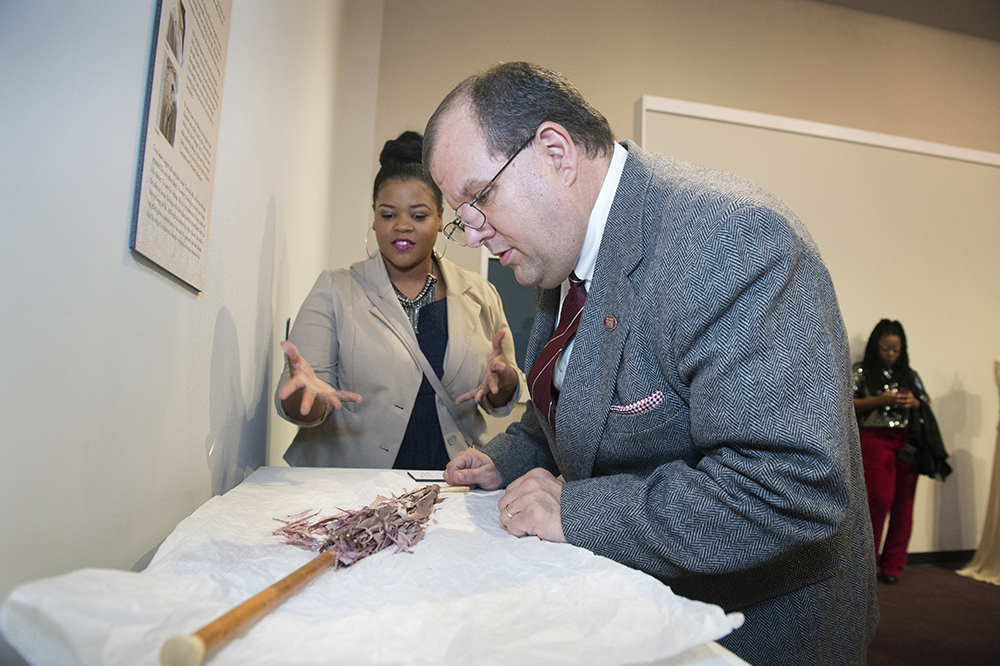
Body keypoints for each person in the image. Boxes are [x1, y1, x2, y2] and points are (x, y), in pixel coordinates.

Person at [423, 62, 877, 665]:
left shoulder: (732, 240)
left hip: (753, 631)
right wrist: (508, 459)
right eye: (462, 217)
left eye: (478, 199)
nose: (473, 234)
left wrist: (579, 512)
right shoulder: (565, 246)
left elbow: (787, 488)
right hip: (644, 605)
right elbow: (575, 400)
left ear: (555, 153)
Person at [275, 131, 522, 469]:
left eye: (418, 216)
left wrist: (505, 383)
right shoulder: (334, 290)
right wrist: (308, 398)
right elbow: (301, 402)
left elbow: (502, 398)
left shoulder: (480, 294)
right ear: (374, 219)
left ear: (439, 218)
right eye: (388, 214)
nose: (402, 226)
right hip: (352, 490)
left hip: (452, 484)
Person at [853, 319, 929, 586]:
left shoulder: (910, 375)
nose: (891, 354)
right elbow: (847, 403)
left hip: (907, 441)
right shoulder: (861, 371)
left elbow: (925, 405)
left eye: (896, 349)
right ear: (876, 347)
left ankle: (894, 564)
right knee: (880, 499)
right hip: (874, 437)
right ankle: (866, 560)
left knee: (904, 504)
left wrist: (914, 402)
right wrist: (879, 400)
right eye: (886, 349)